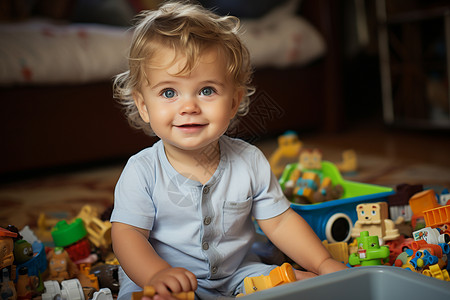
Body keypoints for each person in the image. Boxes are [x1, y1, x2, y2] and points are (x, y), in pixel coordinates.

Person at [110, 1, 347, 299]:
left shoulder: (249, 161)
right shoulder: (142, 171)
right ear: (144, 106)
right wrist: (155, 274)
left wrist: (322, 262)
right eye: (169, 93)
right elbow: (127, 235)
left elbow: (281, 221)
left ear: (234, 101)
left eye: (206, 90)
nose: (189, 107)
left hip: (237, 273)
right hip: (162, 277)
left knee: (300, 284)